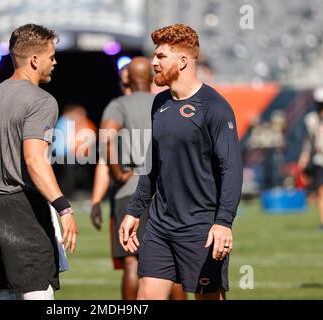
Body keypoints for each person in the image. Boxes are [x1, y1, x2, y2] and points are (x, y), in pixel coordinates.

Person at [119, 24, 243, 300]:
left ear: (183, 61)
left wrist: (223, 222)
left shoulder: (215, 107)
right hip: (160, 228)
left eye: (161, 57)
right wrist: (133, 211)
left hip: (201, 229)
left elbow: (231, 169)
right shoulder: (159, 103)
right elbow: (152, 164)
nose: (153, 62)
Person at [0, 24, 78, 300]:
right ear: (35, 60)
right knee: (38, 294)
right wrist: (63, 208)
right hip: (22, 210)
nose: (55, 62)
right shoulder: (42, 101)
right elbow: (34, 159)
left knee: (2, 296)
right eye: (51, 56)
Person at [93, 57, 186, 300]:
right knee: (173, 263)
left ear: (129, 78)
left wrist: (117, 173)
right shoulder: (168, 102)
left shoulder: (119, 104)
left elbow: (106, 137)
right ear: (149, 76)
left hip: (131, 189)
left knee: (132, 261)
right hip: (168, 192)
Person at [299, 87, 323, 230]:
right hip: (320, 159)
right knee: (321, 191)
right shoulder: (312, 120)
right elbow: (309, 142)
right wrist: (304, 159)